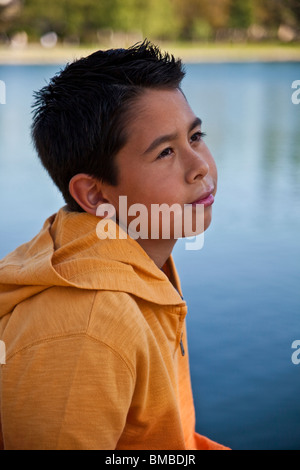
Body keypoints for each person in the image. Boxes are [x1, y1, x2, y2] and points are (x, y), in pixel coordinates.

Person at [0, 41, 229, 450]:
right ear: (96, 195)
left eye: (196, 136)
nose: (200, 167)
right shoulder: (87, 328)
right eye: (165, 152)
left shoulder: (135, 263)